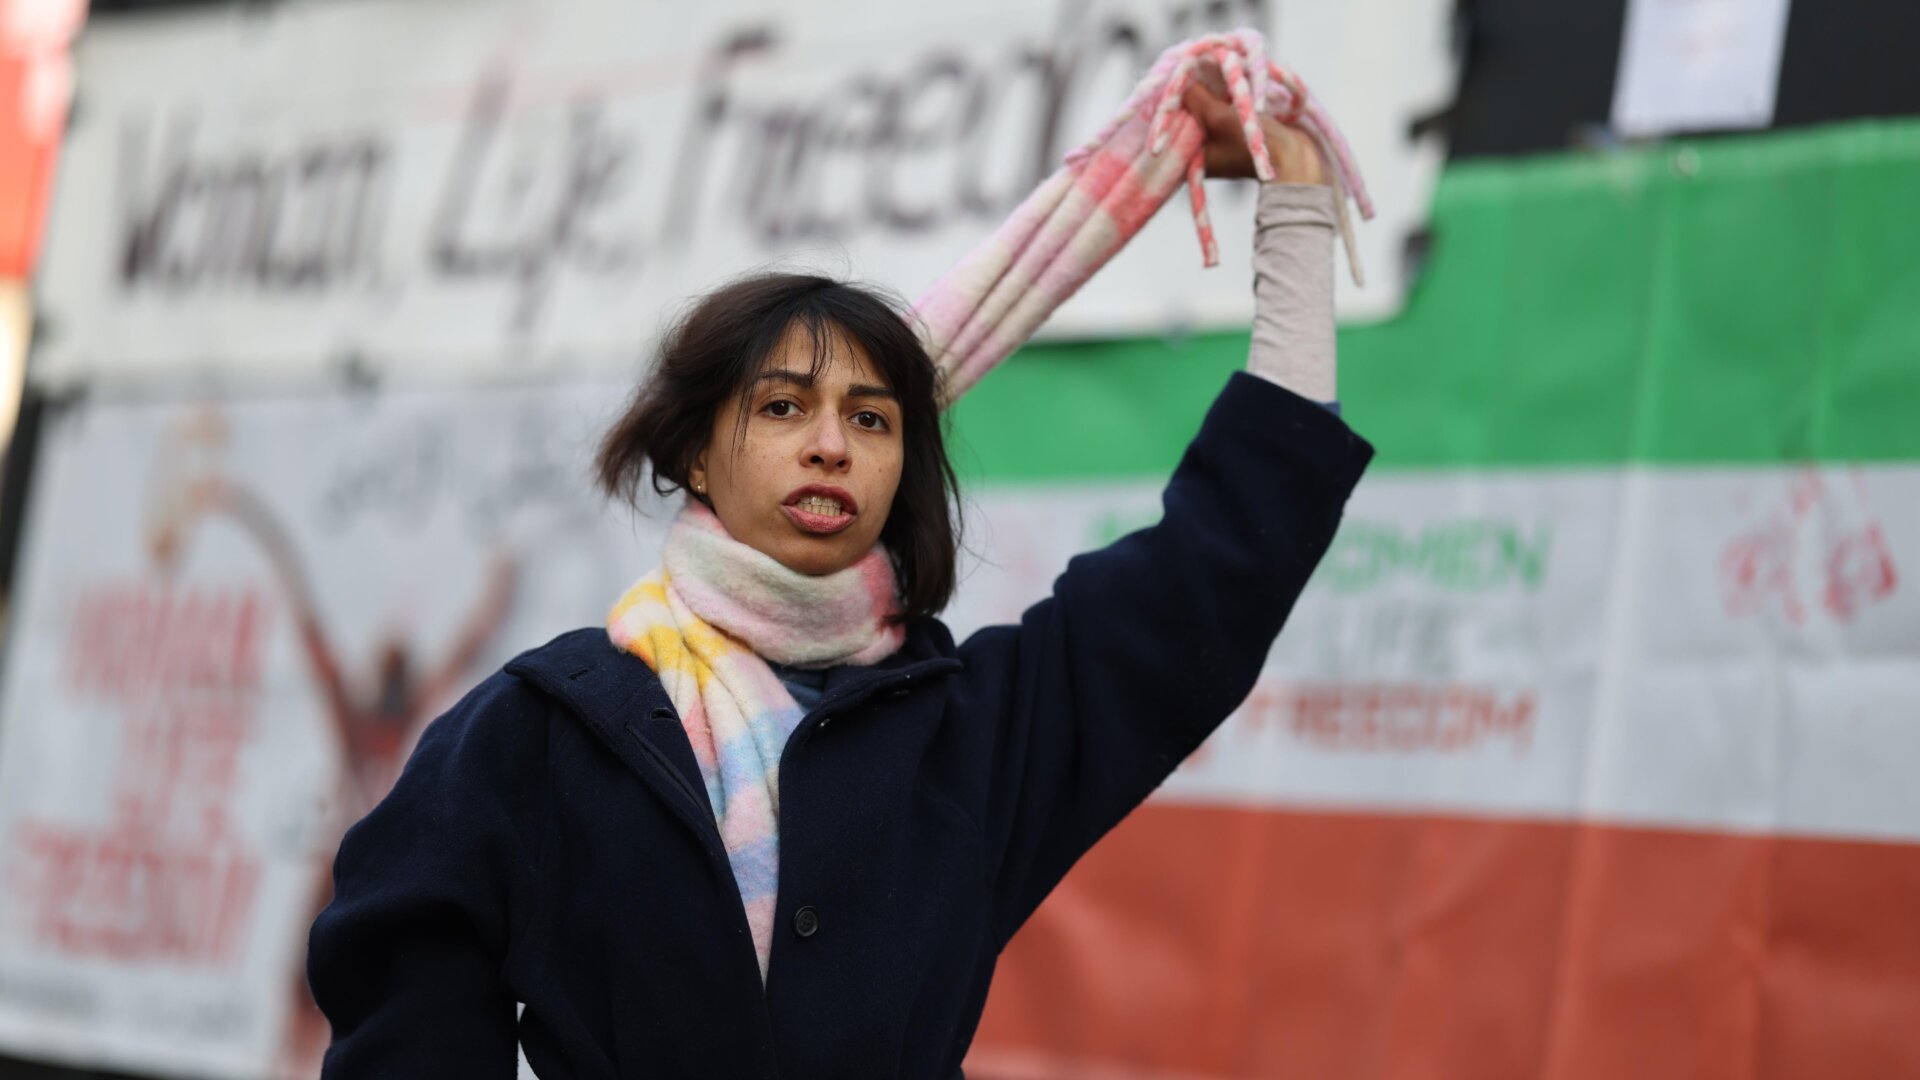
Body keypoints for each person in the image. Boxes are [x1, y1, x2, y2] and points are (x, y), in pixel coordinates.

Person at [306, 70, 1374, 1078]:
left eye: (871, 419)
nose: (831, 445)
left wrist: (1297, 216)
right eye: (782, 408)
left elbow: (1220, 565)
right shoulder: (548, 728)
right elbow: (401, 971)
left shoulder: (976, 733)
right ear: (693, 453)